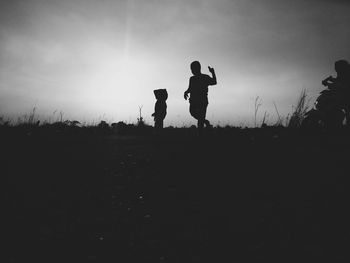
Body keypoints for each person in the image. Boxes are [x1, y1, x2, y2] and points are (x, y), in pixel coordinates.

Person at [184, 61, 217, 132]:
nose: (192, 71)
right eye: (191, 69)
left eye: (193, 69)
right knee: (192, 112)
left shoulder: (205, 77)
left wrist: (212, 72)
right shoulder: (192, 79)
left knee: (200, 122)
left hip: (202, 101)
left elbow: (214, 82)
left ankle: (200, 136)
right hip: (193, 101)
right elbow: (190, 88)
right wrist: (186, 92)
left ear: (198, 68)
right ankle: (205, 122)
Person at [321, 59, 350, 125]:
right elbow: (338, 80)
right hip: (343, 94)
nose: (335, 69)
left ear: (341, 67)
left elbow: (343, 84)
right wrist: (330, 79)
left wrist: (329, 83)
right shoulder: (341, 73)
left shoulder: (346, 73)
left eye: (336, 67)